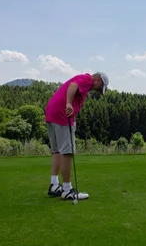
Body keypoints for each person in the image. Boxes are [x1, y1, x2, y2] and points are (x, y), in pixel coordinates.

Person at [45, 71, 109, 201]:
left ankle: (54, 185)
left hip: (51, 114)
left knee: (57, 150)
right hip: (63, 116)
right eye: (100, 87)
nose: (97, 90)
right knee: (67, 152)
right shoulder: (87, 79)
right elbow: (73, 86)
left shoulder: (82, 80)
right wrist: (68, 103)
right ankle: (67, 190)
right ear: (98, 79)